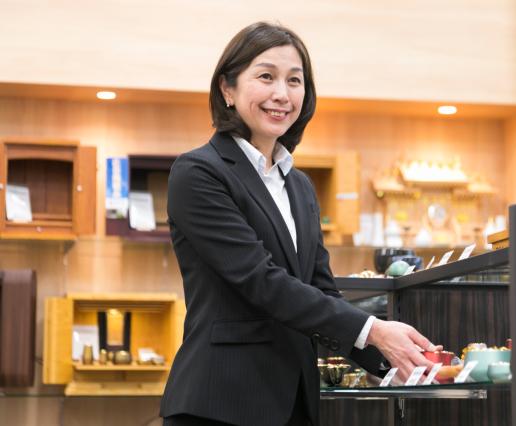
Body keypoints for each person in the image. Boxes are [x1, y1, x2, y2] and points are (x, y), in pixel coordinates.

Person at [160, 22, 440, 426]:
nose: (282, 94)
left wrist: (398, 361)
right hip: (219, 403)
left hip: (294, 405)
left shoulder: (300, 186)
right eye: (266, 76)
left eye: (295, 81)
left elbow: (320, 289)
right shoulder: (198, 172)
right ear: (227, 89)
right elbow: (261, 280)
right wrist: (374, 329)